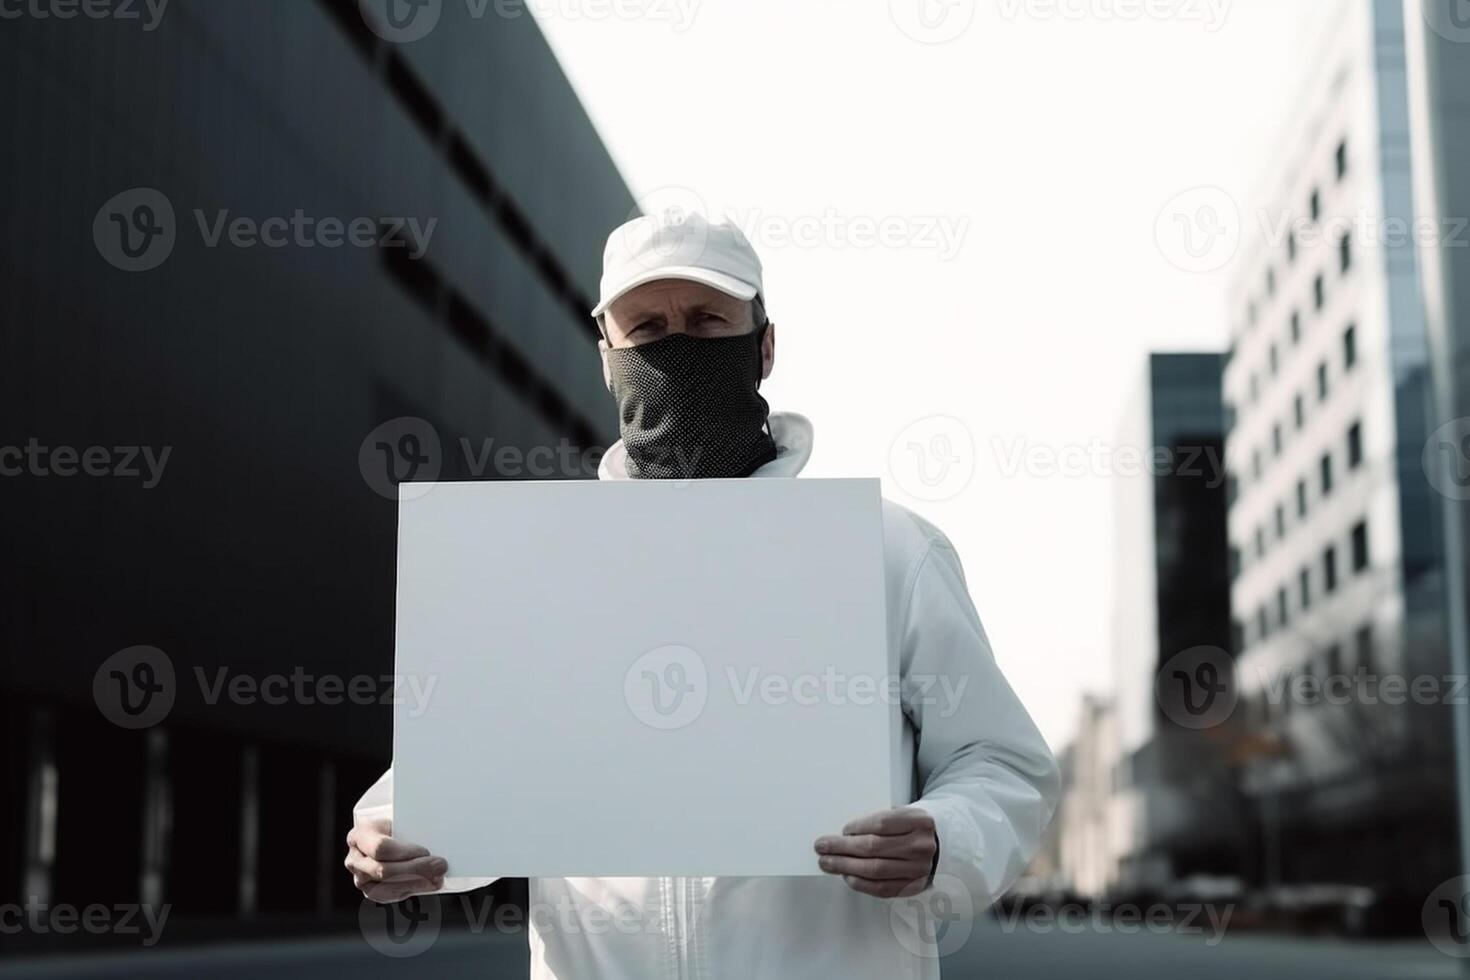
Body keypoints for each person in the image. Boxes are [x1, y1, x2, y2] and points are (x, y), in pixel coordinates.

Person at [345, 211, 1060, 977]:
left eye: (706, 320)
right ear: (607, 358)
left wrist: (945, 837)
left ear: (765, 344)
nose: (676, 347)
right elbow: (466, 763)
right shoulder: (536, 562)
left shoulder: (886, 549)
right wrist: (393, 831)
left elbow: (1001, 761)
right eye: (646, 328)